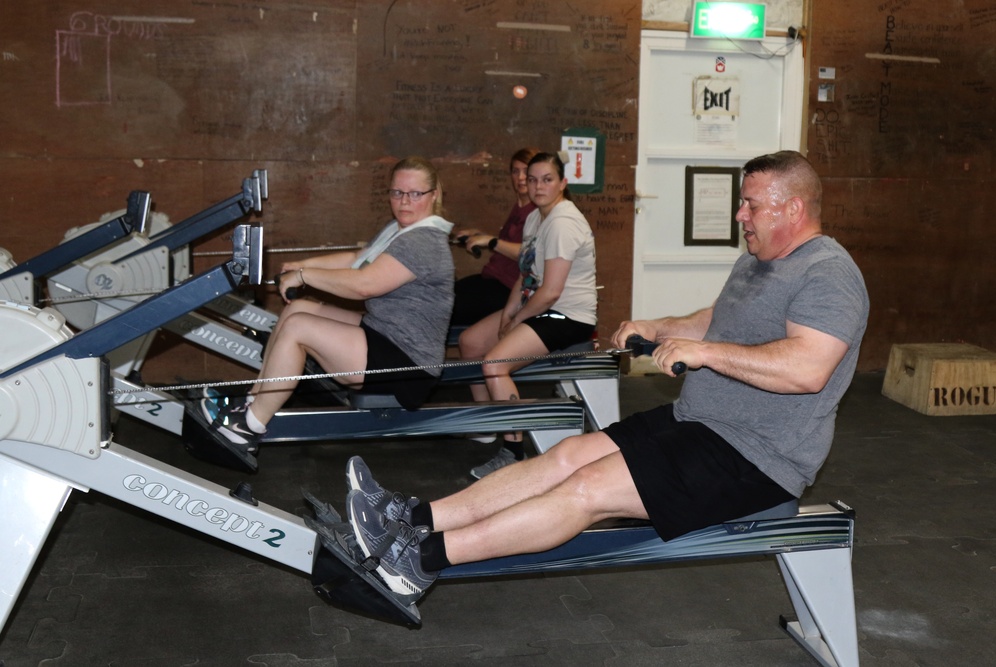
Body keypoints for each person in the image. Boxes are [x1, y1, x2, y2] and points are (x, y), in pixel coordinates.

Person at [342, 150, 870, 599]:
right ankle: (413, 519)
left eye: (751, 205)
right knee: (568, 455)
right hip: (699, 422)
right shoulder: (758, 260)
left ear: (793, 207)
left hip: (757, 458)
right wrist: (662, 327)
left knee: (588, 490)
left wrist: (708, 354)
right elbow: (716, 318)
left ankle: (418, 562)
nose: (740, 216)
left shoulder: (828, 274)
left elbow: (808, 368)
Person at [200, 156, 455, 465]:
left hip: (407, 365)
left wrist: (305, 277)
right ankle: (253, 402)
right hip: (386, 334)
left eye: (415, 194)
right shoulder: (401, 229)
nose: (404, 202)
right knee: (300, 310)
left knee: (299, 329)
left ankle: (248, 427)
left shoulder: (423, 241)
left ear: (434, 195)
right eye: (397, 192)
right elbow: (357, 259)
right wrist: (304, 265)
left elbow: (364, 284)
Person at [457, 152, 597, 479]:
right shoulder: (536, 218)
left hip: (569, 317)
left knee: (494, 364)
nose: (537, 186)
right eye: (532, 180)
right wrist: (508, 314)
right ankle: (488, 422)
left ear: (563, 183)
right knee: (471, 341)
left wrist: (517, 322)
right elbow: (525, 273)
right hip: (540, 308)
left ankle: (512, 451)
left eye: (547, 179)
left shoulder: (563, 222)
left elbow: (550, 292)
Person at [450, 147, 539, 327]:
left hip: (509, 288)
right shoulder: (520, 206)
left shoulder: (538, 210)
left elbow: (529, 253)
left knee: (445, 308)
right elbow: (510, 242)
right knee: (444, 295)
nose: (520, 177)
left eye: (526, 171)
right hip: (492, 279)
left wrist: (490, 241)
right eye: (515, 171)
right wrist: (478, 235)